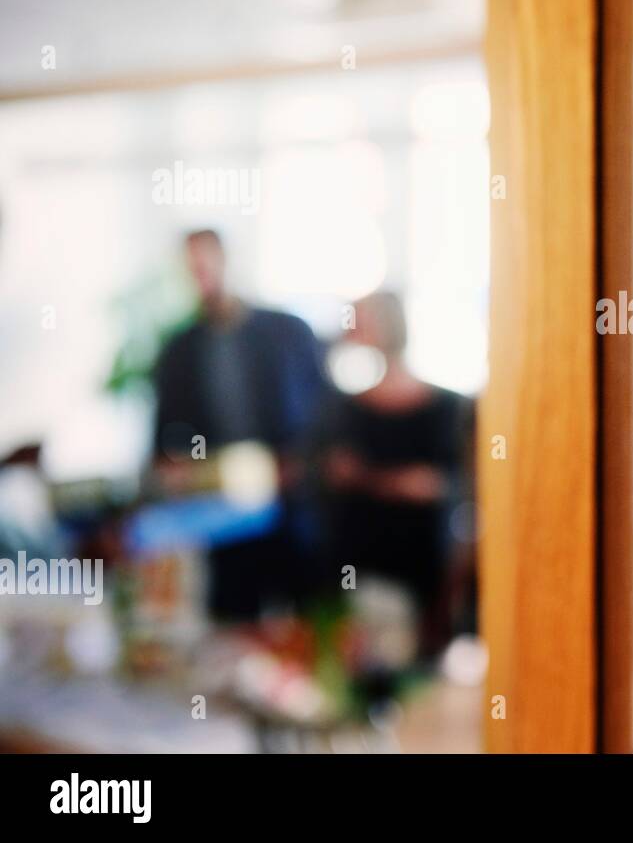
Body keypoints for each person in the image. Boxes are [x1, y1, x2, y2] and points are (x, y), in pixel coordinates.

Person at [152, 229, 327, 620]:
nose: (202, 275)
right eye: (191, 268)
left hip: (291, 501)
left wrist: (300, 465)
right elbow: (162, 440)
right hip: (223, 511)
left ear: (225, 260)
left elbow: (324, 412)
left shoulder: (288, 332)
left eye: (206, 263)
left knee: (308, 616)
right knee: (233, 614)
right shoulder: (178, 350)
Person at [321, 291, 473, 662]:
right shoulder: (347, 409)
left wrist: (376, 480)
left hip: (420, 560)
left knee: (415, 663)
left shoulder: (446, 408)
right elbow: (336, 475)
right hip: (366, 559)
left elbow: (442, 484)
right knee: (372, 658)